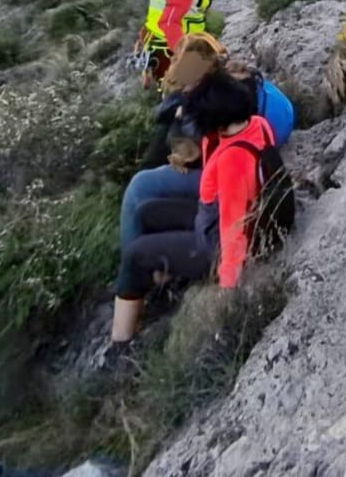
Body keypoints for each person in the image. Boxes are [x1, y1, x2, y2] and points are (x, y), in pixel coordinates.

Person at [110, 69, 280, 344]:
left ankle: (120, 343)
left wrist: (227, 288)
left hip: (212, 243)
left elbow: (233, 226)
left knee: (133, 254)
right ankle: (158, 280)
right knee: (145, 213)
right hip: (211, 216)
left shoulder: (232, 162)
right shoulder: (256, 124)